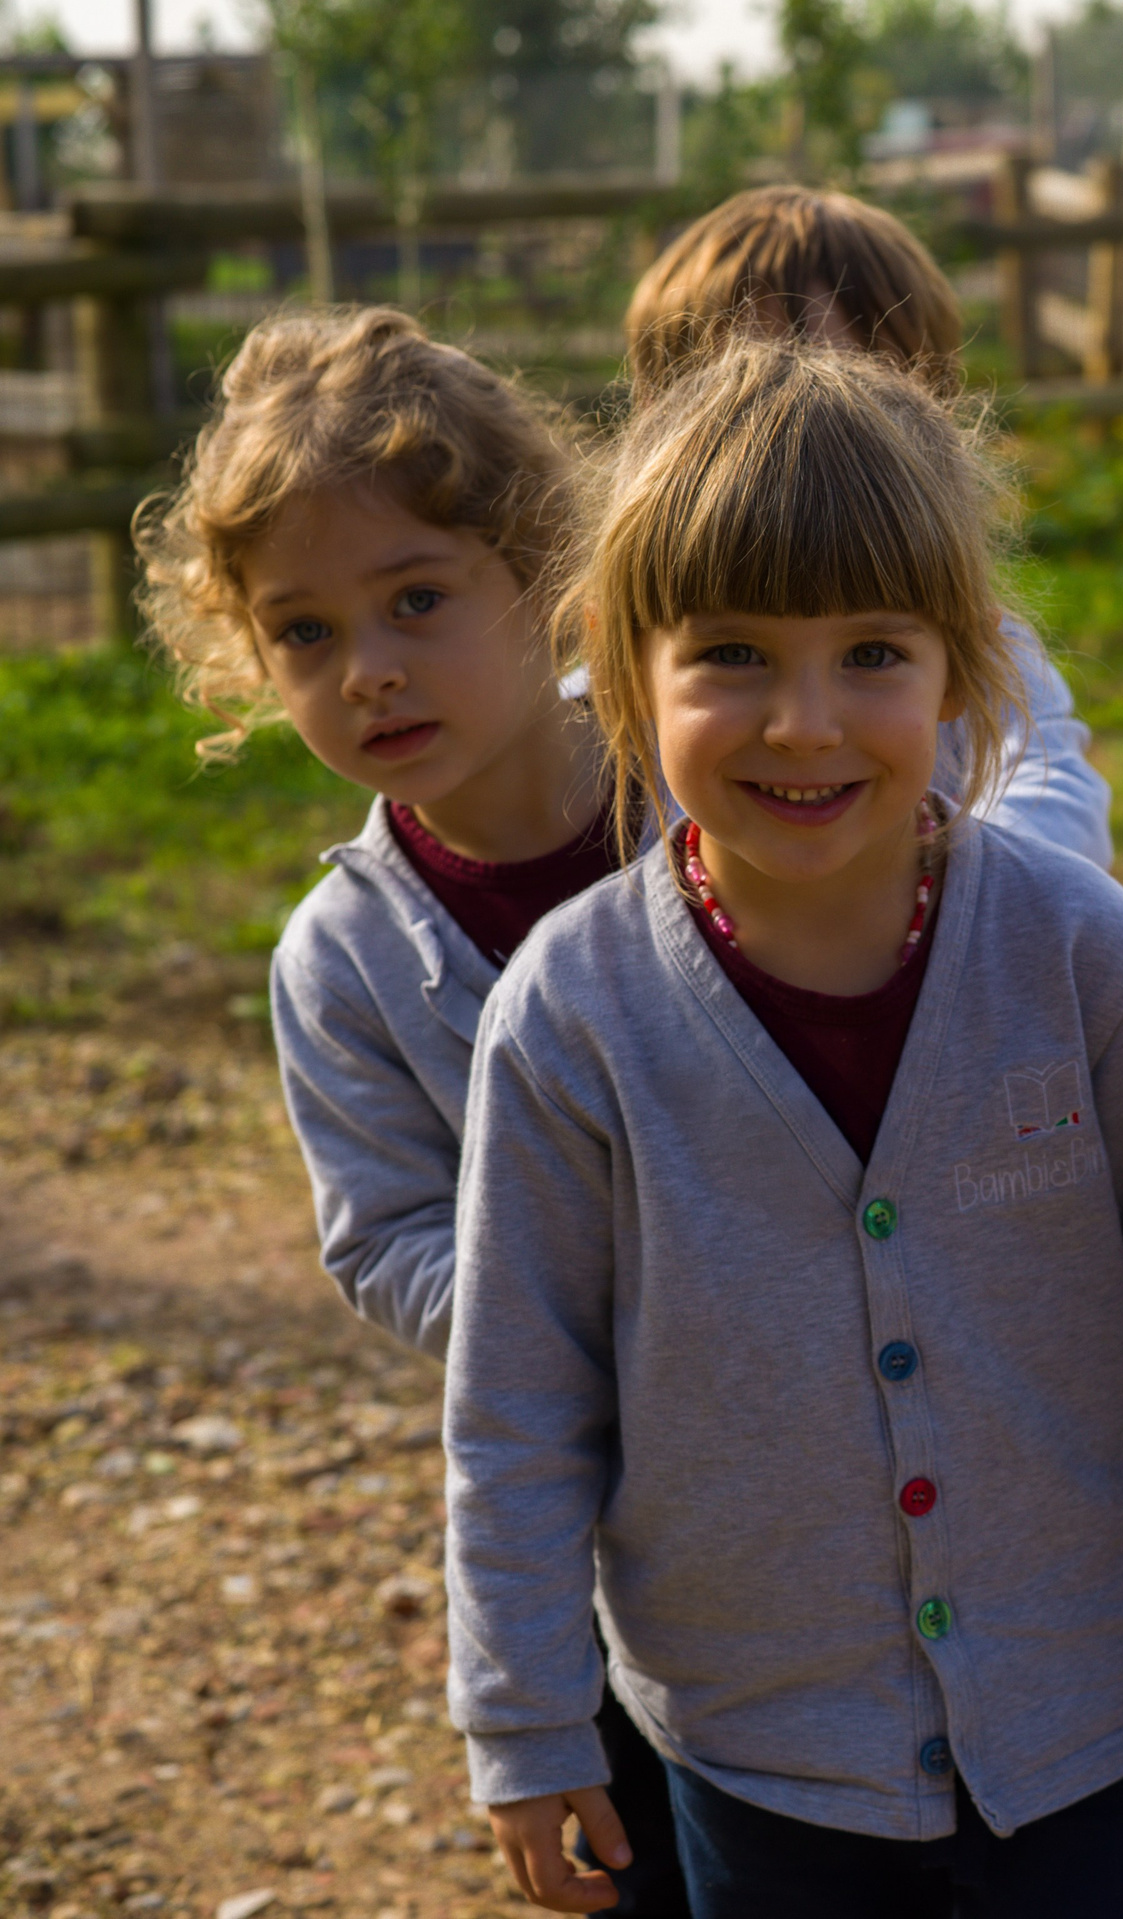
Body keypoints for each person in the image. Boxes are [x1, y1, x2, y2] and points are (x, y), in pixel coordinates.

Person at [442, 337, 1123, 1918]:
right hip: (764, 1744)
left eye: (872, 653)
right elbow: (518, 1408)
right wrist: (529, 1717)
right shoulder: (569, 1014)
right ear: (626, 676)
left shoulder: (1083, 956)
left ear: (965, 670)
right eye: (733, 655)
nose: (804, 723)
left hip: (1086, 1716)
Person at [134, 308, 697, 1917]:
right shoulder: (347, 960)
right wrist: (557, 1301)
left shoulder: (703, 803)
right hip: (594, 1499)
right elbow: (379, 1233)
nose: (367, 666)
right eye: (302, 633)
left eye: (416, 599)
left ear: (542, 574)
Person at [623, 182, 1112, 868]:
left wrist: (920, 904)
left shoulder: (967, 642)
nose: (808, 430)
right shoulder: (632, 662)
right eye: (743, 393)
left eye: (861, 393)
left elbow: (1053, 796)